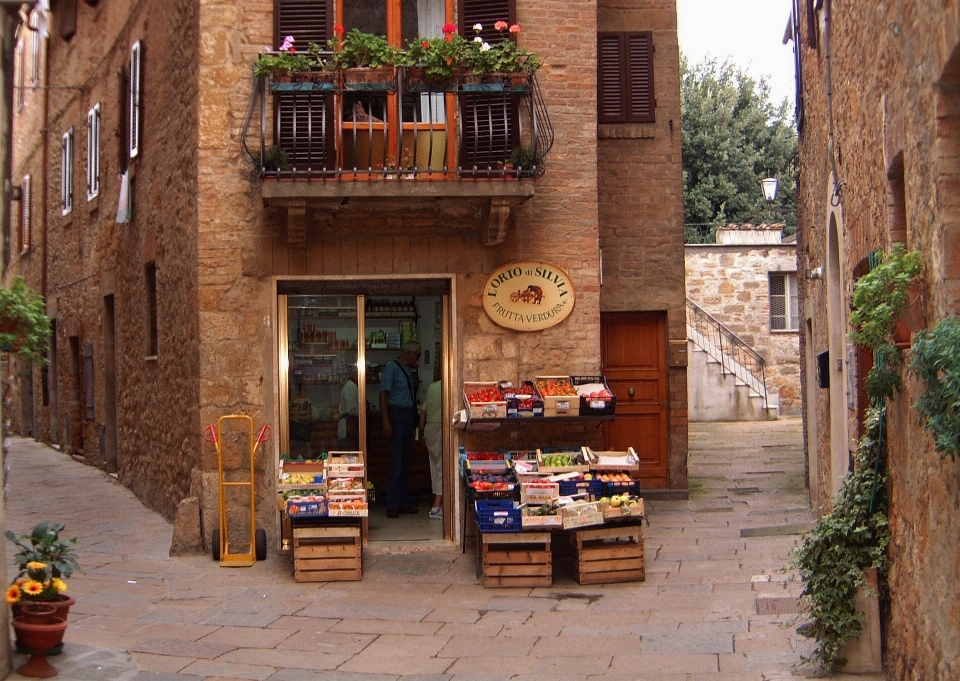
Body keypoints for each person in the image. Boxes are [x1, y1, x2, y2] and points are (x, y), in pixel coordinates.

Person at [379, 340, 421, 518]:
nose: (417, 360)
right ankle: (392, 504)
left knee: (406, 461)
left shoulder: (407, 370)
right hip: (396, 415)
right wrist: (386, 421)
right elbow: (383, 394)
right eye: (417, 356)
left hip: (406, 416)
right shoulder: (391, 368)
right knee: (396, 462)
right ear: (409, 354)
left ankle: (404, 502)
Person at [420, 363, 443, 519]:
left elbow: (423, 411)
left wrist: (421, 432)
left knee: (434, 466)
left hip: (429, 428)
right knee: (442, 467)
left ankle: (438, 501)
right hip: (442, 427)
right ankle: (437, 505)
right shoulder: (448, 387)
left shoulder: (431, 387)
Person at [336, 364, 360, 450]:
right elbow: (352, 409)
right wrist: (365, 412)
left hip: (350, 430)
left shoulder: (353, 386)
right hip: (348, 430)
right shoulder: (351, 387)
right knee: (349, 457)